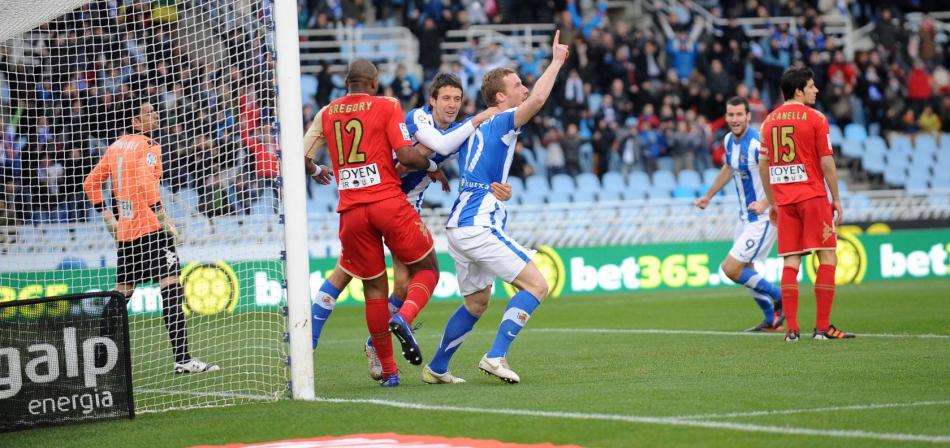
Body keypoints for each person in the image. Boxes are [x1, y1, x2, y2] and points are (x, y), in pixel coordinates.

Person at [304, 73, 509, 381]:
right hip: (381, 194)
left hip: (403, 202)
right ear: (432, 100)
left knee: (400, 285)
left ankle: (375, 343)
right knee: (348, 270)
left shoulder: (458, 131)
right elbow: (418, 154)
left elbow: (472, 159)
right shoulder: (418, 119)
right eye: (446, 99)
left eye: (456, 99)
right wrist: (432, 164)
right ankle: (314, 337)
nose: (452, 105)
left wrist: (496, 186)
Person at [423, 30, 569, 385]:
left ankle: (437, 368)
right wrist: (557, 63)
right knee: (536, 285)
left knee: (476, 303)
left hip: (460, 224)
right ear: (500, 97)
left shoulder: (472, 126)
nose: (524, 88)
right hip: (477, 224)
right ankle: (496, 356)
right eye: (517, 84)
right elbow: (536, 103)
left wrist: (491, 186)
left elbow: (469, 165)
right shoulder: (502, 118)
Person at [300, 59, 445, 387]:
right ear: (374, 83)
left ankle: (390, 373)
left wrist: (316, 171)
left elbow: (301, 156)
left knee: (374, 293)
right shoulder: (387, 105)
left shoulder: (327, 112)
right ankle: (404, 320)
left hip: (351, 212)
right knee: (428, 269)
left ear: (346, 83)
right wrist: (431, 166)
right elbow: (406, 156)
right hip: (387, 203)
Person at [83, 100, 219, 374]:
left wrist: (108, 216)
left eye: (154, 111)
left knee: (122, 294)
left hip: (126, 232)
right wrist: (162, 216)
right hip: (152, 229)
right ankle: (182, 360)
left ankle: (98, 360)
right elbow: (146, 183)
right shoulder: (149, 146)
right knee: (170, 288)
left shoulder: (115, 146)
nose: (154, 115)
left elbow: (90, 183)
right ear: (135, 122)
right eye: (147, 112)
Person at [759, 67, 853, 342]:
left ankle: (792, 330)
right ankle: (822, 328)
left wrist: (774, 202)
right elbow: (826, 161)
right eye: (811, 86)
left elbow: (764, 167)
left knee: (791, 260)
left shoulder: (768, 122)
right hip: (812, 196)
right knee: (827, 255)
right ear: (798, 90)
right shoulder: (815, 118)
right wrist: (835, 198)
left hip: (785, 202)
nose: (816, 90)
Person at [694, 97, 783, 333]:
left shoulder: (757, 143)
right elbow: (728, 168)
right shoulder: (728, 141)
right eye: (730, 115)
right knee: (747, 271)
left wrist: (766, 202)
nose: (734, 119)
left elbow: (776, 173)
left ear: (748, 116)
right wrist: (708, 196)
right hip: (743, 218)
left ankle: (780, 296)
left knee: (730, 269)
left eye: (739, 115)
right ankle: (771, 320)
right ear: (726, 117)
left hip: (762, 219)